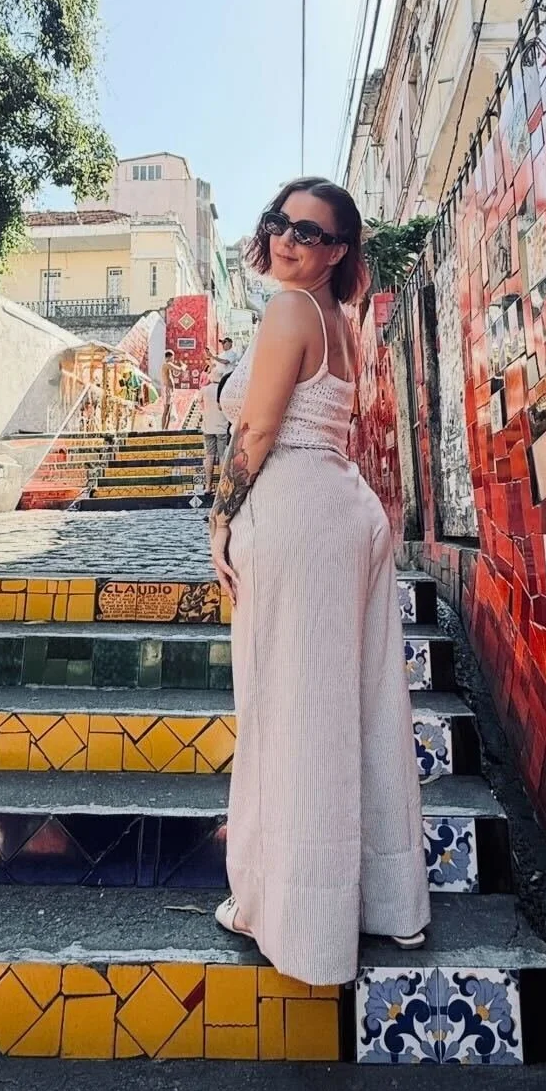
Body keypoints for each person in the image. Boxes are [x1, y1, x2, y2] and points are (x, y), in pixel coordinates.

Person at [208, 176, 430, 985]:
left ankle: (299, 917)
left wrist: (220, 517)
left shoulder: (291, 309)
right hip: (346, 509)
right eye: (280, 222)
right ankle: (388, 899)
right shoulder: (337, 320)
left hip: (298, 509)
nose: (289, 238)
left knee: (290, 710)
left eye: (311, 231)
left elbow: (261, 428)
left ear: (338, 252)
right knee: (362, 705)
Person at [199, 369, 230, 500]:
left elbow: (200, 405)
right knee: (223, 456)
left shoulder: (204, 390)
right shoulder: (224, 389)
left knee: (210, 456)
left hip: (208, 427)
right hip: (222, 427)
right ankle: (221, 486)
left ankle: (208, 486)